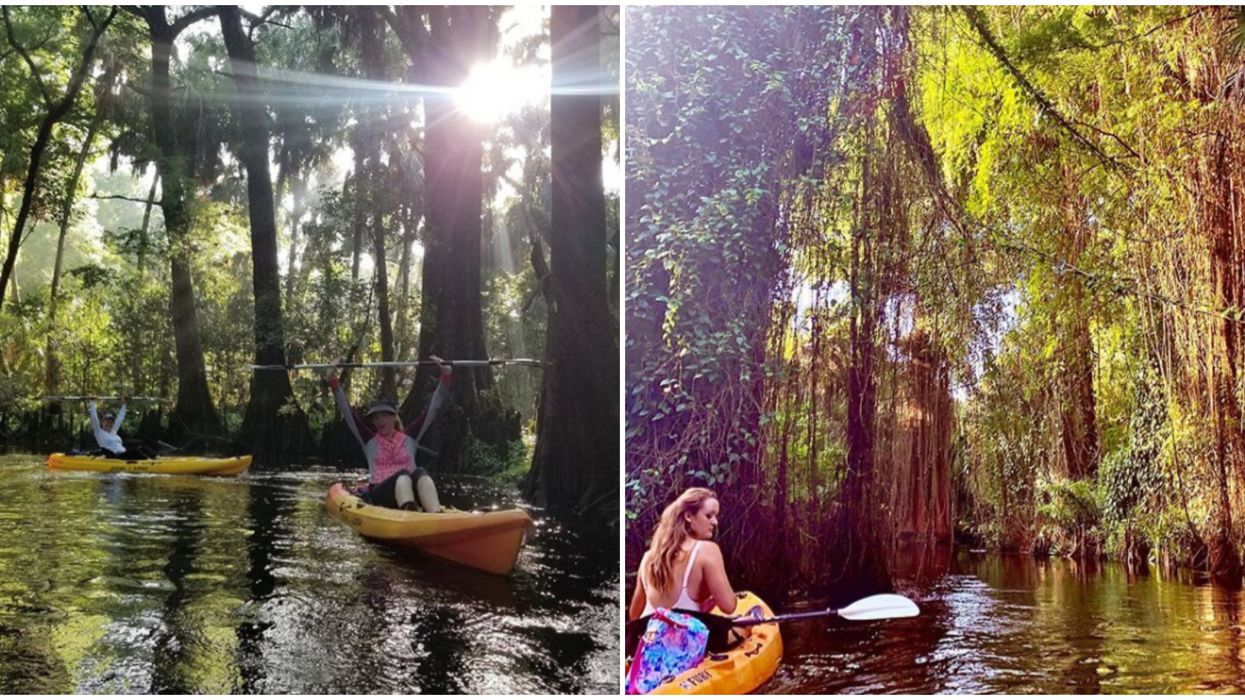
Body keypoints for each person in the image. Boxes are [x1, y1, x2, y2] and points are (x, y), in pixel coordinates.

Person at [628, 487, 746, 649]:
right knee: (744, 628)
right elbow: (728, 606)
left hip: (649, 642)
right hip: (685, 645)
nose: (715, 522)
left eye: (715, 516)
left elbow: (634, 615)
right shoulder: (707, 550)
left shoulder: (648, 557)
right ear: (689, 516)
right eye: (709, 515)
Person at [327, 357, 450, 512]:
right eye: (376, 417)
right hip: (380, 493)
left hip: (410, 490)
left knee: (420, 473)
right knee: (403, 475)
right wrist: (333, 382)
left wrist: (445, 377)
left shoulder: (410, 437)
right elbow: (348, 413)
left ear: (393, 417)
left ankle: (435, 514)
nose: (379, 421)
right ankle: (409, 514)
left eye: (383, 415)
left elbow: (432, 409)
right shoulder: (369, 441)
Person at [87, 398, 155, 460]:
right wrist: (92, 403)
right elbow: (94, 418)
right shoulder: (99, 432)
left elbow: (120, 418)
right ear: (102, 422)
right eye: (106, 421)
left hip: (123, 453)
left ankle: (156, 458)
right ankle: (149, 462)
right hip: (116, 456)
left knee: (144, 448)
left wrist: (124, 404)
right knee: (136, 450)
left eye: (111, 422)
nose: (109, 424)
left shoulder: (113, 431)